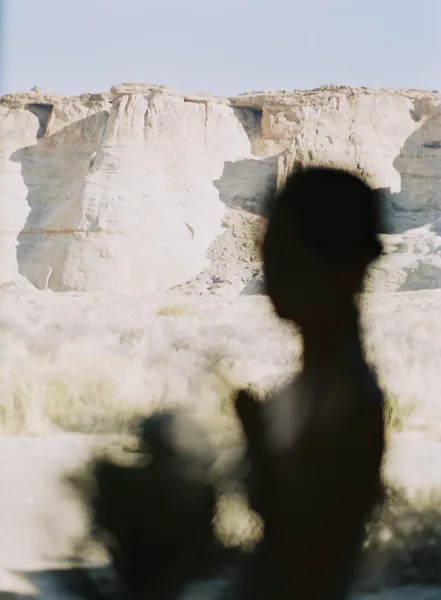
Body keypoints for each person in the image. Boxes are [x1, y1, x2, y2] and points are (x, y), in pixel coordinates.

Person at [235, 166, 386, 599]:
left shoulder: (346, 398)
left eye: (283, 250)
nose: (267, 270)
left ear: (340, 265)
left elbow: (311, 555)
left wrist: (259, 448)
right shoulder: (326, 383)